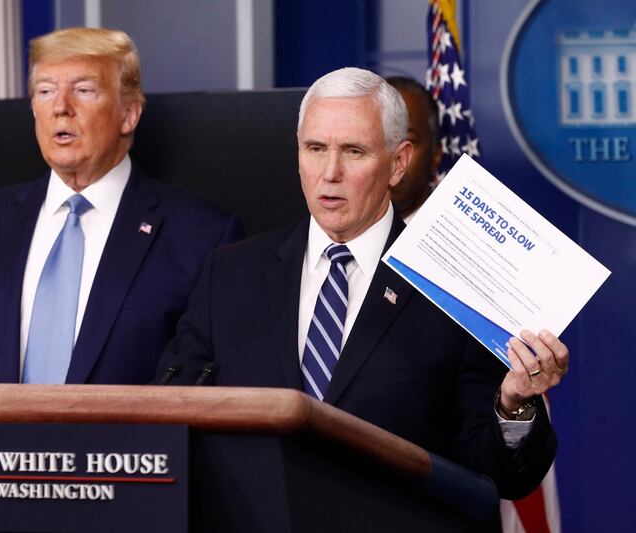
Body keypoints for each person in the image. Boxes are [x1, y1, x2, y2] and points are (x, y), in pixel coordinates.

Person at [158, 67, 567, 502]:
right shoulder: (231, 273)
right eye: (315, 148)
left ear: (398, 163)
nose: (330, 172)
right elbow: (172, 411)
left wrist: (514, 404)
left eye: (353, 151)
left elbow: (500, 476)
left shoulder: (457, 285)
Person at [0, 27, 242, 386]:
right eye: (46, 91)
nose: (60, 107)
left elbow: (218, 394)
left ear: (129, 114)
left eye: (83, 90)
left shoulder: (203, 237)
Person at [386, 76, 441, 223]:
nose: (391, 160)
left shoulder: (461, 239)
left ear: (436, 154)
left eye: (407, 142)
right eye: (378, 142)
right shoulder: (331, 231)